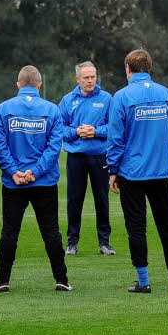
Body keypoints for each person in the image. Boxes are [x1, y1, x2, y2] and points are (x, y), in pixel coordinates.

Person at [107, 49, 168, 293]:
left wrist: (113, 170)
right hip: (160, 171)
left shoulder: (121, 97)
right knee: (167, 226)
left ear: (127, 68)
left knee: (136, 227)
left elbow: (116, 139)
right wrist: (157, 140)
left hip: (132, 173)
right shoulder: (165, 93)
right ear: (149, 68)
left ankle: (144, 282)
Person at [0, 65, 70, 292]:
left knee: (9, 232)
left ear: (18, 84)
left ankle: (2, 281)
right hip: (43, 182)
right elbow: (54, 148)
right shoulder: (51, 110)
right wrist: (35, 172)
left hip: (13, 182)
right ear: (39, 84)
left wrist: (13, 171)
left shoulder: (4, 109)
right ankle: (61, 280)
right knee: (51, 232)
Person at [58, 60, 114, 256]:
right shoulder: (67, 100)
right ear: (78, 79)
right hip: (76, 157)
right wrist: (76, 132)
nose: (90, 81)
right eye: (86, 77)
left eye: (93, 77)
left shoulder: (107, 99)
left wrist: (96, 131)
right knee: (74, 200)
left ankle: (104, 243)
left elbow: (114, 127)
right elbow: (59, 129)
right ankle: (72, 243)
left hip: (100, 156)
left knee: (102, 199)